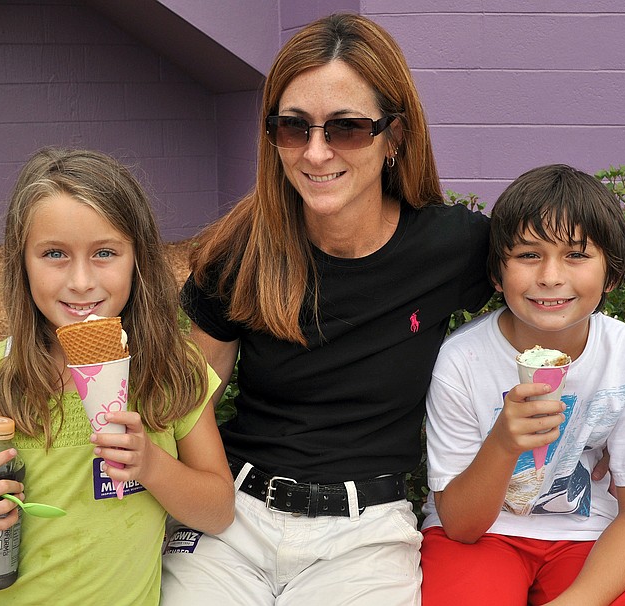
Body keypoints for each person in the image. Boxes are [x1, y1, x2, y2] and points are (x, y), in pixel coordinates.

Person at [160, 12, 494, 606]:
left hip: (367, 534)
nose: (315, 154)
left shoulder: (454, 247)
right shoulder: (240, 253)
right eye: (294, 128)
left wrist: (581, 431)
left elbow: (548, 306)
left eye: (344, 128)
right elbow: (189, 406)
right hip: (231, 520)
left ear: (394, 136)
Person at [0, 147, 235, 605]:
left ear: (138, 260)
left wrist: (152, 464)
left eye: (104, 252)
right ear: (22, 262)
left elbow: (218, 510)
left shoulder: (173, 371)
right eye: (54, 253)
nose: (81, 281)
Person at [419, 164, 625, 605]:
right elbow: (461, 525)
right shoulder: (462, 360)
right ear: (496, 272)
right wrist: (504, 442)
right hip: (481, 536)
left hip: (590, 535)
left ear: (612, 274)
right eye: (528, 255)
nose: (550, 276)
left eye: (577, 255)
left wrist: (579, 601)